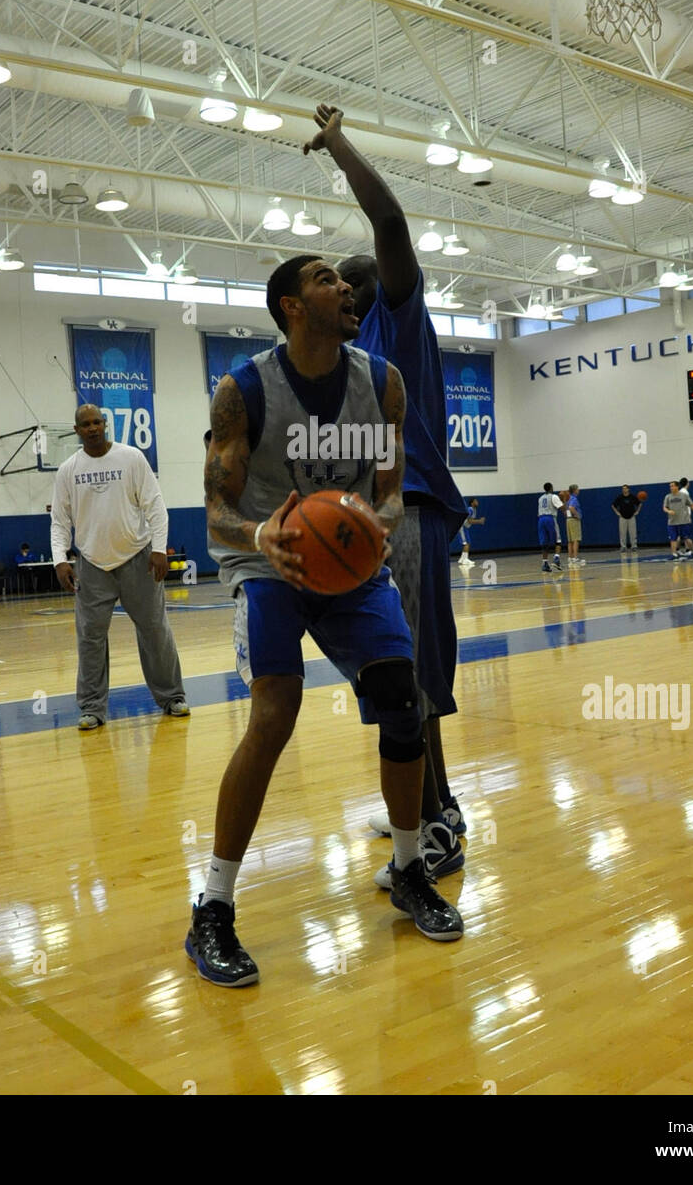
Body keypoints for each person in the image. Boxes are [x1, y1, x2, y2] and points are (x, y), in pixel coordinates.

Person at [189, 253, 464, 987]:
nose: (345, 288)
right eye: (324, 280)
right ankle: (212, 906)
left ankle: (409, 868)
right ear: (291, 306)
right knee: (275, 710)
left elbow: (391, 490)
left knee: (402, 701)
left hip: (350, 563)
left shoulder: (381, 383)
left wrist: (373, 525)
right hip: (267, 561)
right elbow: (216, 513)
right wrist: (261, 537)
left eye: (343, 282)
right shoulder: (243, 389)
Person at [310, 103, 470, 885]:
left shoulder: (397, 324)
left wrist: (340, 144)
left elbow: (391, 221)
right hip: (377, 523)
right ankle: (424, 806)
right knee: (395, 670)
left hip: (414, 514)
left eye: (345, 284)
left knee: (413, 677)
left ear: (374, 289)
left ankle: (437, 825)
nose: (336, 293)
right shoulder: (346, 364)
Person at [50, 404, 190, 731]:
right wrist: (60, 559)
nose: (93, 428)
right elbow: (59, 521)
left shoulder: (131, 458)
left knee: (155, 631)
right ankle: (92, 708)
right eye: (85, 424)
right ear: (77, 430)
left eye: (97, 422)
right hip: (91, 564)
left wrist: (158, 549)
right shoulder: (68, 470)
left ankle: (172, 697)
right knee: (90, 637)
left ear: (105, 424)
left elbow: (155, 506)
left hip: (137, 559)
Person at [663, 480, 693, 558]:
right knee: (673, 539)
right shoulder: (668, 497)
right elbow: (664, 507)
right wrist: (668, 511)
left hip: (684, 521)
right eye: (670, 486)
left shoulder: (684, 496)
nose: (671, 487)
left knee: (687, 538)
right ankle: (674, 554)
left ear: (677, 487)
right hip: (672, 522)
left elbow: (692, 505)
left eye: (672, 486)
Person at [538, 483, 564, 573]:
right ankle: (556, 559)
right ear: (551, 488)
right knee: (558, 540)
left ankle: (545, 563)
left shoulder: (540, 498)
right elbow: (561, 507)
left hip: (541, 519)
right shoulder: (554, 496)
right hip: (550, 518)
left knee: (544, 543)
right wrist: (564, 499)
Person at [612, 484, 640, 551]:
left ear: (628, 489)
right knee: (622, 533)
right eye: (623, 489)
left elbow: (639, 504)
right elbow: (613, 505)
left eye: (625, 488)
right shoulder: (620, 497)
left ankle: (634, 546)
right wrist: (617, 513)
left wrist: (637, 511)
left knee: (633, 532)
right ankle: (623, 547)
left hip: (631, 517)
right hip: (622, 517)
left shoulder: (632, 497)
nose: (624, 490)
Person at [458, 498, 485, 568]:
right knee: (466, 543)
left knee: (468, 542)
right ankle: (465, 559)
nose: (477, 502)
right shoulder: (470, 509)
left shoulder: (474, 510)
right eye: (476, 501)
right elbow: (469, 521)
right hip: (462, 527)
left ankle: (462, 558)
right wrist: (479, 521)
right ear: (472, 503)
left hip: (465, 527)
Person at [565, 484, 585, 566]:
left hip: (568, 519)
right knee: (576, 539)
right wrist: (577, 515)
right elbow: (571, 507)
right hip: (573, 520)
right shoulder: (574, 498)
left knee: (570, 541)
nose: (578, 490)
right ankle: (575, 558)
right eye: (577, 489)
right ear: (574, 490)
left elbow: (566, 508)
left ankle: (570, 558)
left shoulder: (567, 498)